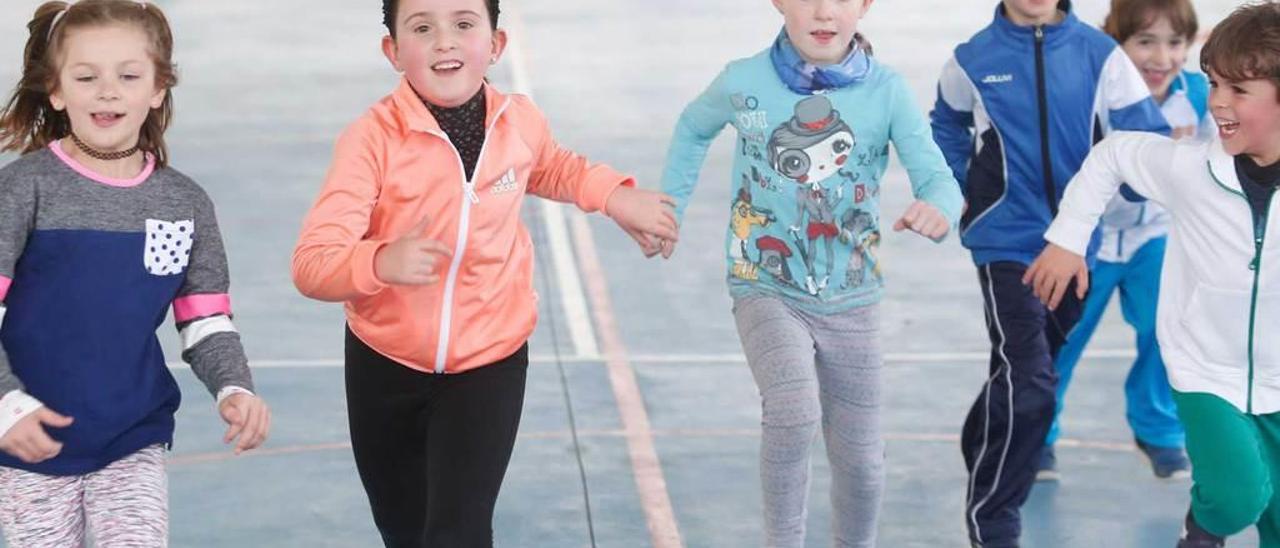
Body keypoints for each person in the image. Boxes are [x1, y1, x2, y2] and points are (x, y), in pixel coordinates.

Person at [290, 0, 679, 545]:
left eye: (464, 24)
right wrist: (379, 261)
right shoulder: (371, 140)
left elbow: (553, 166)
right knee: (405, 531)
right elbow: (312, 264)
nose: (445, 41)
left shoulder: (518, 121)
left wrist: (615, 196)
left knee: (459, 533)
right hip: (385, 364)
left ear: (496, 44)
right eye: (422, 28)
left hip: (488, 363)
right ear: (393, 51)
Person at [657, 0, 963, 544]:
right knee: (793, 410)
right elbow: (691, 127)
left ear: (866, 5)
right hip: (765, 285)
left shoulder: (886, 91)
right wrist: (670, 207)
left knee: (862, 460)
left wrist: (939, 207)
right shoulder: (743, 80)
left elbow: (938, 178)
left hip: (854, 297)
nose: (824, 12)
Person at [0, 1, 270, 545]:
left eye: (128, 75)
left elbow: (206, 321)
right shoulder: (23, 189)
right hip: (27, 442)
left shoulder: (184, 202)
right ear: (56, 91)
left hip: (131, 434)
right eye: (86, 76)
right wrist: (6, 404)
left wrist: (233, 385)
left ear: (157, 89)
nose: (108, 91)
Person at [1025, 4, 1280, 546]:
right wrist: (1068, 237)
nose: (1216, 102)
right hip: (1206, 371)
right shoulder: (1192, 169)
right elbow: (1114, 155)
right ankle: (1202, 532)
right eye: (1213, 85)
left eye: (1238, 91)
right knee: (1236, 496)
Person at [929, 0, 1170, 545]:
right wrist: (962, 193)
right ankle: (994, 521)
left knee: (1023, 372)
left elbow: (1142, 135)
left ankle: (977, 444)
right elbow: (946, 125)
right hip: (1004, 243)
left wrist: (1138, 188)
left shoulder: (1100, 55)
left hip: (1078, 245)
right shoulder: (972, 58)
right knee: (1033, 384)